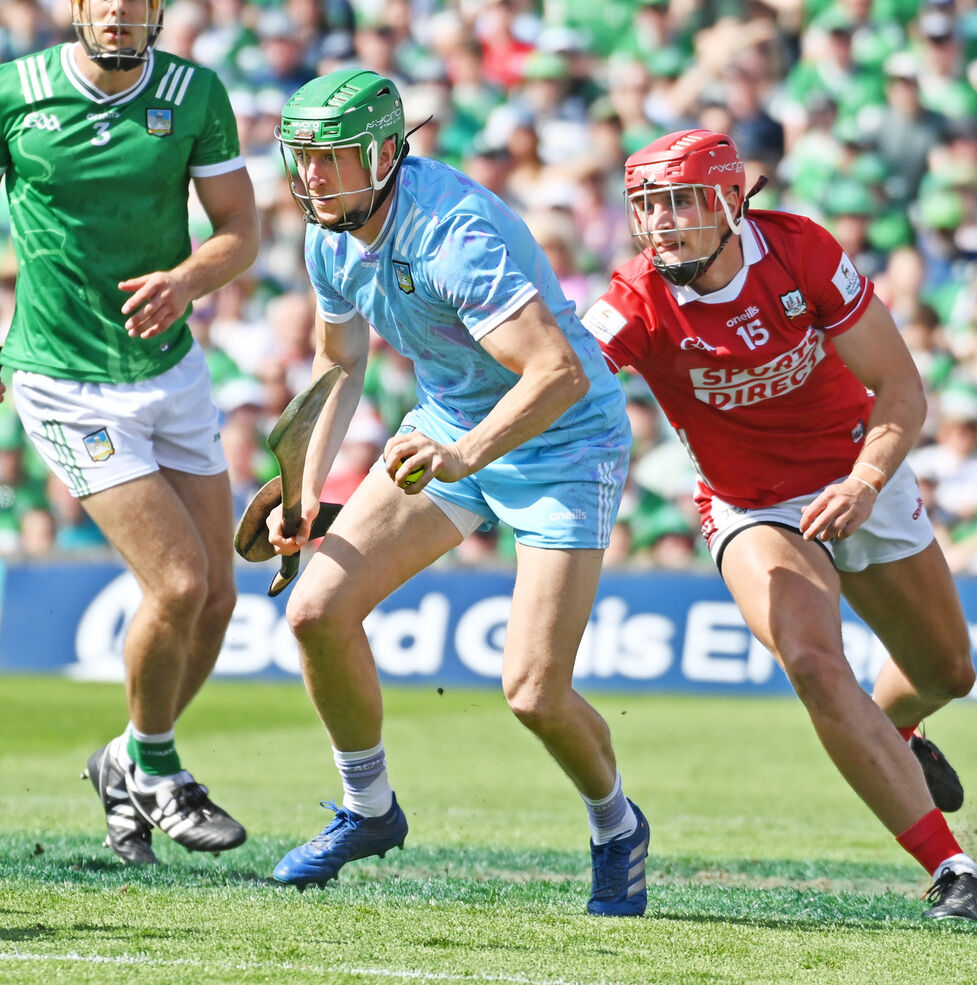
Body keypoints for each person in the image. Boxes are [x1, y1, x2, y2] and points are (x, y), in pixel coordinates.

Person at [582, 129, 977, 921]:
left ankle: (897, 735)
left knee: (948, 672)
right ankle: (951, 866)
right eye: (647, 208)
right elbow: (560, 375)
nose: (661, 224)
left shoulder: (801, 252)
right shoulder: (636, 294)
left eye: (679, 203)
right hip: (749, 502)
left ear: (731, 202)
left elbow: (901, 387)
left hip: (857, 472)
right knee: (812, 659)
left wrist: (867, 480)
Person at [266, 68, 647, 916]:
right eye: (303, 159)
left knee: (533, 693)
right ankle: (369, 810)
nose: (311, 178)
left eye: (330, 159)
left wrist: (463, 453)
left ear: (385, 154)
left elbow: (554, 373)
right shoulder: (329, 234)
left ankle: (617, 828)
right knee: (315, 613)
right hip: (452, 427)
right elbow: (338, 363)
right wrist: (307, 487)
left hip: (560, 440)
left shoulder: (455, 234)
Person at [0, 0, 258, 863]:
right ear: (75, 8)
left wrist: (187, 279)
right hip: (65, 380)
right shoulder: (14, 92)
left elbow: (241, 231)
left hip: (171, 372)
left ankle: (123, 757)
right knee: (179, 583)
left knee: (218, 598)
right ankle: (156, 770)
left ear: (157, 11)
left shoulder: (195, 93)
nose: (115, 9)